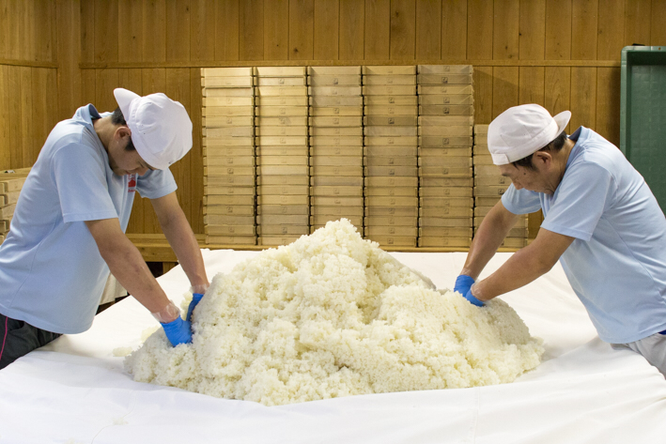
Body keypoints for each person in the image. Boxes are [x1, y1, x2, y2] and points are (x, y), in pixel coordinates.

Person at [0, 88, 209, 369]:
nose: (143, 174)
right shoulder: (73, 146)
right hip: (18, 313)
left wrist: (200, 286)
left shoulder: (138, 149)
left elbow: (171, 216)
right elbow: (112, 245)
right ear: (123, 135)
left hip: (56, 315)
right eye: (141, 166)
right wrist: (169, 317)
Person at [454, 103, 666, 375]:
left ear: (543, 159)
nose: (516, 186)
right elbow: (500, 218)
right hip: (624, 324)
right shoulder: (551, 168)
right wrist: (467, 275)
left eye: (514, 177)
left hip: (654, 323)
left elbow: (539, 259)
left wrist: (476, 293)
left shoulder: (593, 168)